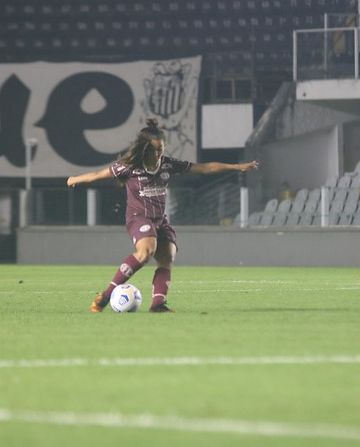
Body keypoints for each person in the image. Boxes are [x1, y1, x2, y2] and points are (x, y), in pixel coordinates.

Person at [66, 119, 259, 313]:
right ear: (145, 149)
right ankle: (106, 296)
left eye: (161, 149)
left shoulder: (168, 165)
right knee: (146, 252)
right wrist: (75, 179)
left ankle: (158, 305)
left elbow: (205, 167)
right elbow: (99, 174)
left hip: (160, 220)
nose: (158, 154)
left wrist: (236, 167)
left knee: (167, 258)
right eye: (155, 150)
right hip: (138, 217)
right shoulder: (131, 166)